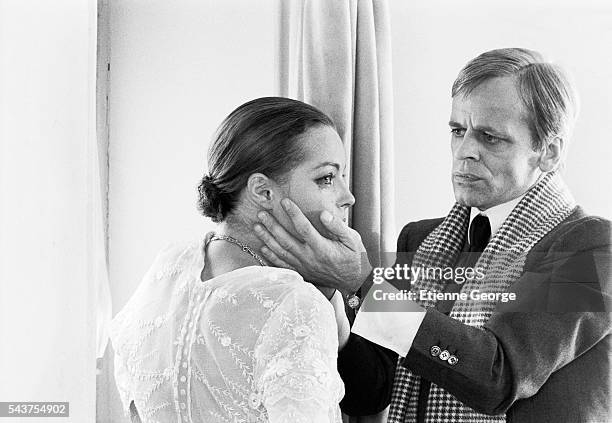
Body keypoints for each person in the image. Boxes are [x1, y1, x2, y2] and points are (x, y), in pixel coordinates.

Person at [252, 48, 612, 422]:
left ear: (549, 153)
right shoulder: (420, 239)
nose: (465, 152)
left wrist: (361, 282)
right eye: (458, 131)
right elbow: (374, 394)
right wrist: (331, 300)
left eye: (491, 138)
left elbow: (496, 376)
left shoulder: (593, 246)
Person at [109, 97, 355, 423]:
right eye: (327, 178)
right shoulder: (294, 301)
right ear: (263, 192)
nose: (347, 197)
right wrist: (356, 278)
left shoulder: (165, 269)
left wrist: (337, 289)